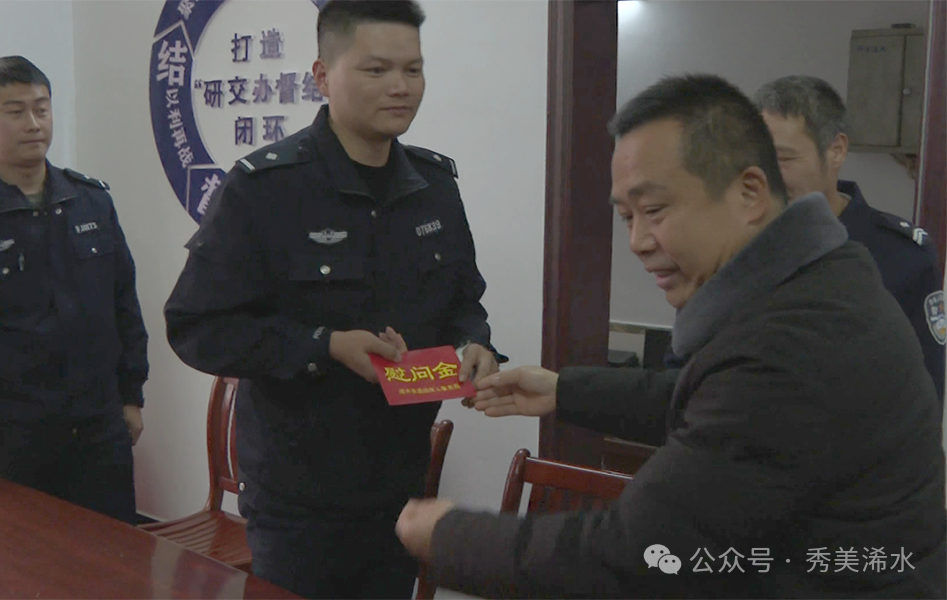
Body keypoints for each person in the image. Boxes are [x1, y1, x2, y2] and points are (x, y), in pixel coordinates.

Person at [395, 74, 947, 599]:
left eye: (655, 210)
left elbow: (637, 555)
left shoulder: (793, 342)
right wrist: (564, 390)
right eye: (626, 216)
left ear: (750, 192)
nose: (638, 240)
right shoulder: (820, 277)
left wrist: (451, 536)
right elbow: (708, 398)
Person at [164, 1, 502, 598]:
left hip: (400, 488)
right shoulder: (266, 188)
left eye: (413, 70)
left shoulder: (434, 186)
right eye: (376, 69)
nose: (400, 87)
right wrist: (324, 346)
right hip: (298, 503)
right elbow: (196, 325)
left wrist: (475, 344)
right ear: (322, 76)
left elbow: (463, 300)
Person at [0, 56, 148, 524]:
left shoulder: (90, 200)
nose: (33, 124)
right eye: (15, 111)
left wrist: (131, 394)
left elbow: (123, 304)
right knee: (23, 560)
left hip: (98, 428)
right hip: (10, 438)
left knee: (112, 554)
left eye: (42, 108)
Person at [755, 75, 944, 402]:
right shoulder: (736, 245)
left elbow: (924, 395)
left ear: (836, 151)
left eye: (783, 159)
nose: (766, 177)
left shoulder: (901, 256)